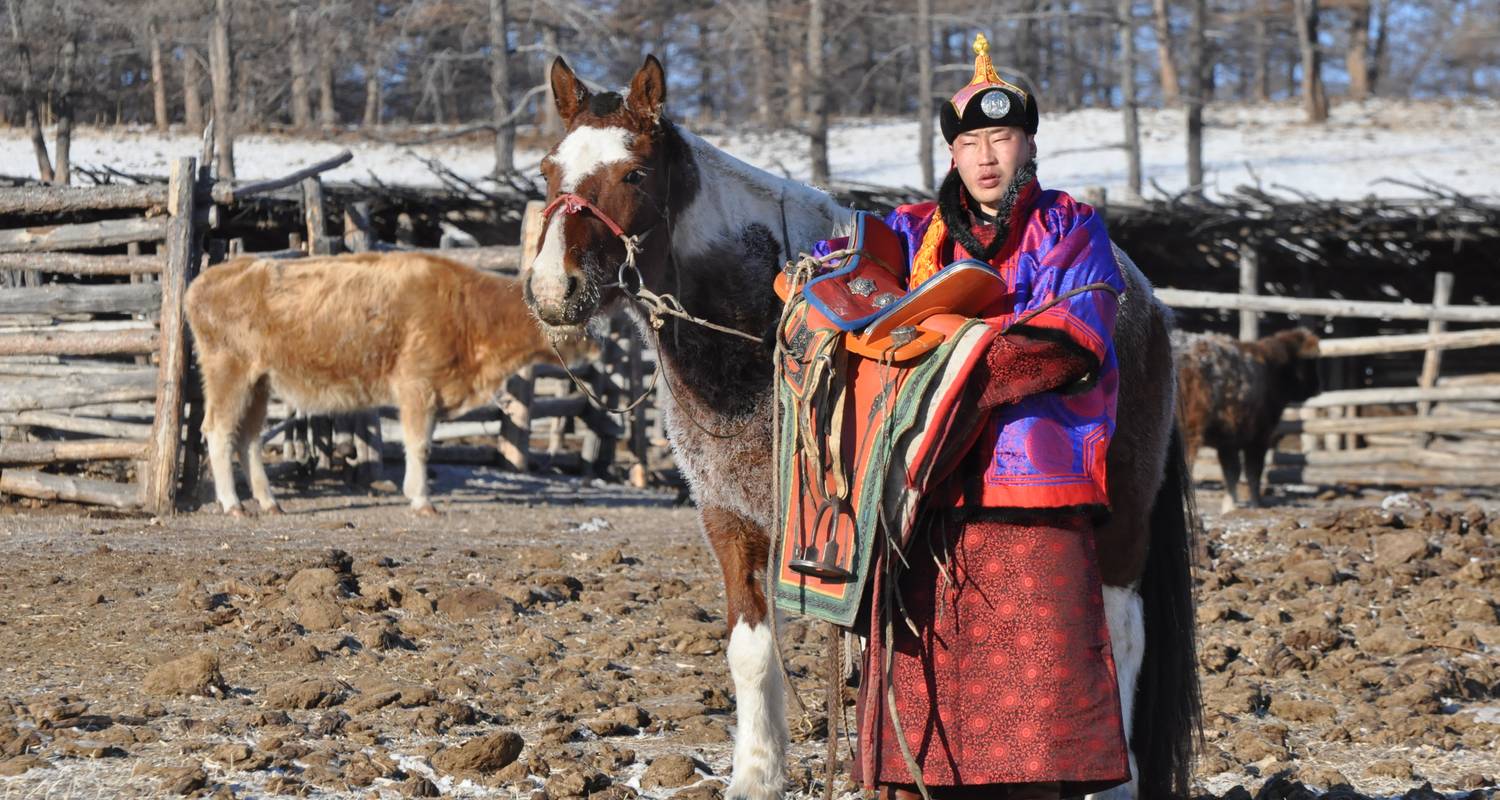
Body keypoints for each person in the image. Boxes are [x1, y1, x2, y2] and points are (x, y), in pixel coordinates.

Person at [810, 33, 1131, 800]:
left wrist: (944, 354)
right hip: (922, 497)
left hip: (1032, 486)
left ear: (1028, 144)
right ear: (952, 153)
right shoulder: (913, 232)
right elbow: (845, 289)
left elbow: (1068, 339)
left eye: (1003, 138)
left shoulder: (1070, 228)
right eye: (972, 142)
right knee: (926, 691)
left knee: (1038, 693)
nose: (988, 156)